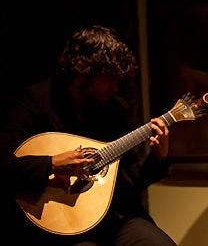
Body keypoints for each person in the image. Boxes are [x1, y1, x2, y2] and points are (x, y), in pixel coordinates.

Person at [0, 25, 176, 245]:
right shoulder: (36, 102)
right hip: (62, 223)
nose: (116, 87)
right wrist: (51, 163)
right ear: (83, 73)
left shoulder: (115, 109)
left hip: (115, 216)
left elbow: (129, 181)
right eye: (108, 78)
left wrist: (159, 158)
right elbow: (5, 163)